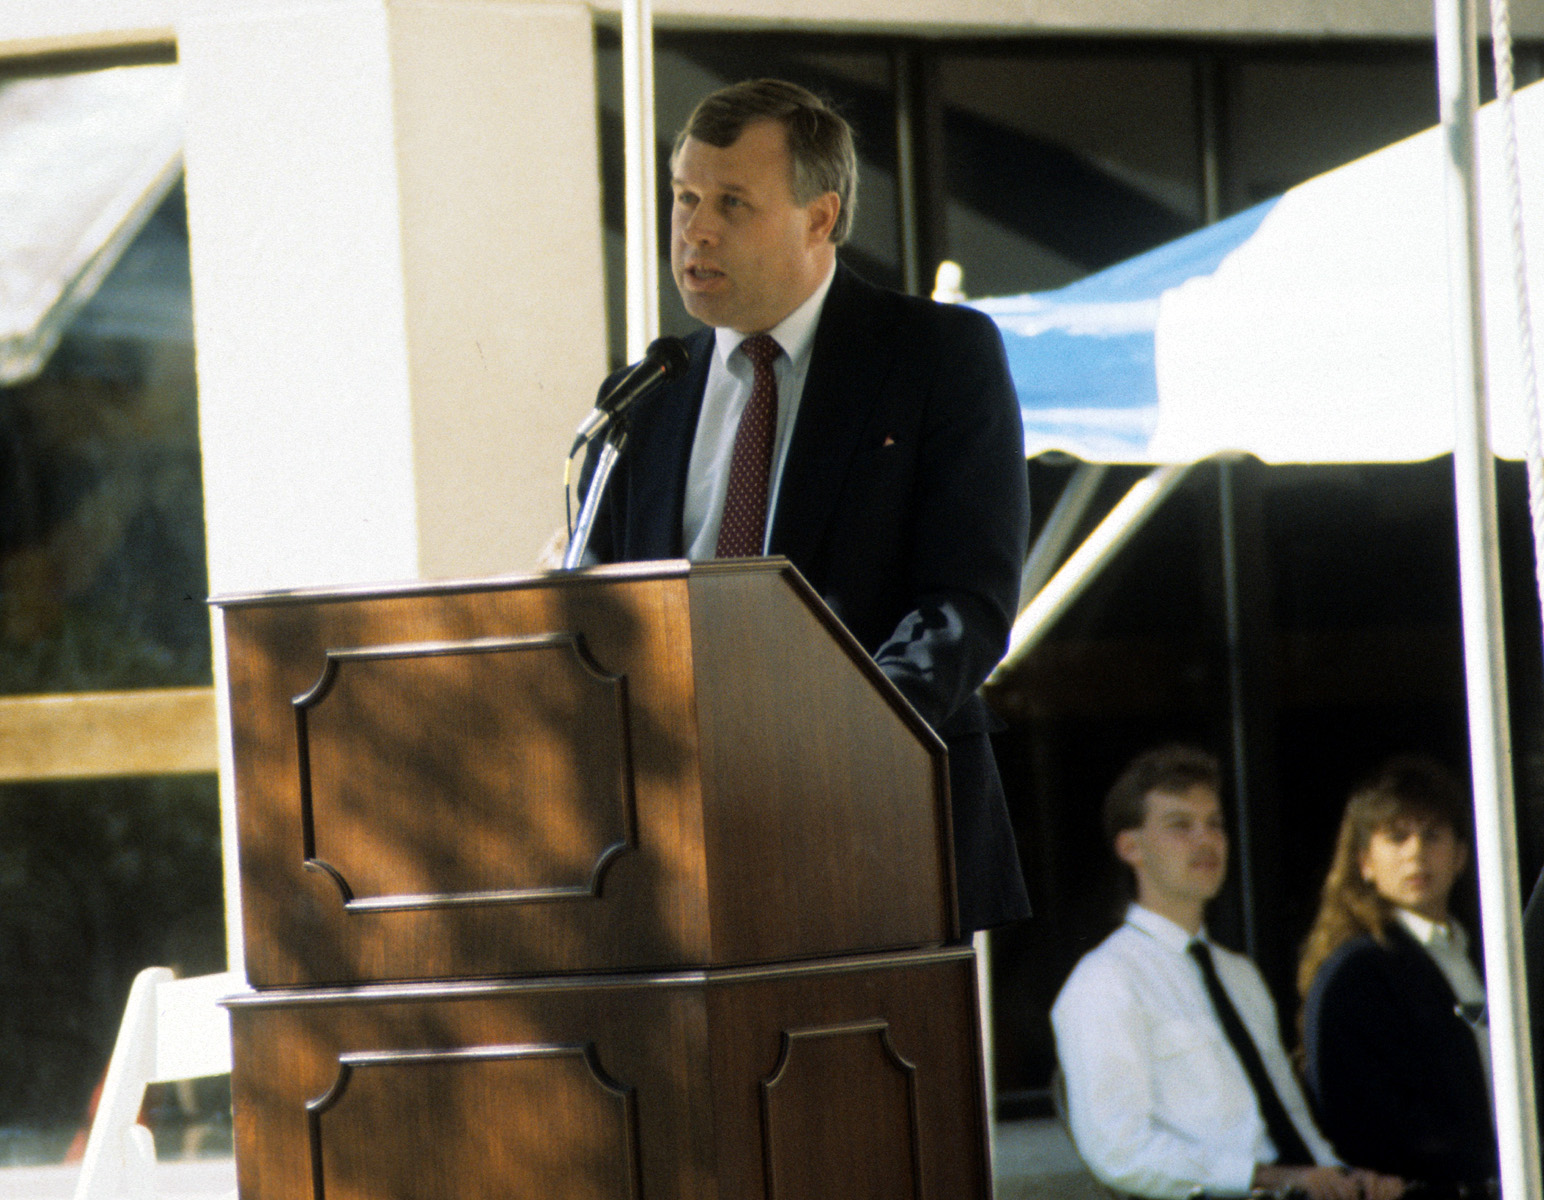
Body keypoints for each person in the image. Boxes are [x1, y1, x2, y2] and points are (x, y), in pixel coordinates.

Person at [579, 79, 1030, 932]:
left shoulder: (935, 355)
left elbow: (965, 605)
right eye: (684, 197)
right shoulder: (645, 394)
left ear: (820, 218)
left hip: (876, 833)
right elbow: (599, 618)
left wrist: (838, 749)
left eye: (732, 203)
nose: (695, 229)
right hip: (667, 853)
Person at [1051, 745, 1405, 1200]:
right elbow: (1119, 1150)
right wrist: (1263, 1177)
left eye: (1215, 824)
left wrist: (1344, 1178)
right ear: (1130, 847)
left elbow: (1290, 1118)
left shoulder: (1240, 976)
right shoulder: (1106, 981)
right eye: (1180, 825)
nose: (1206, 840)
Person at [1297, 755, 1496, 1189]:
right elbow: (1361, 1121)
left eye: (1432, 835)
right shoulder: (1356, 972)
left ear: (1461, 855)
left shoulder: (1491, 957)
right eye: (1397, 837)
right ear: (1364, 862)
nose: (1415, 853)